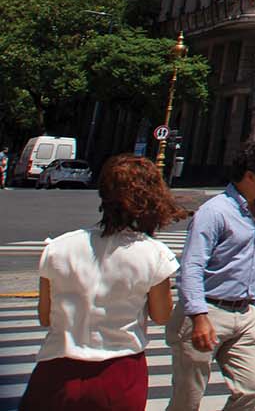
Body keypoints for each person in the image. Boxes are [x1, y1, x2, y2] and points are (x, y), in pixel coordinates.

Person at [24, 155, 183, 411]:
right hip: (120, 372)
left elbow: (45, 317)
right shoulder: (155, 255)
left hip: (57, 368)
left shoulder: (58, 248)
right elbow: (162, 315)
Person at [166, 139, 255, 411]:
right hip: (208, 310)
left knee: (252, 389)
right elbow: (192, 267)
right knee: (188, 399)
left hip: (244, 313)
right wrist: (198, 317)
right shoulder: (215, 211)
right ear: (250, 174)